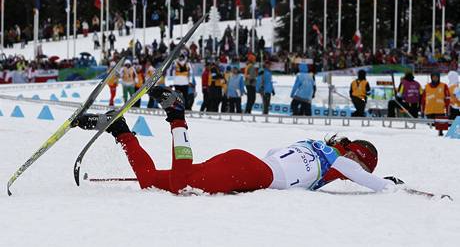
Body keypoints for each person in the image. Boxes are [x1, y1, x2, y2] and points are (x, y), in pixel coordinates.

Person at [73, 86, 402, 195]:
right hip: (254, 173)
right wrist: (390, 185)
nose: (354, 170)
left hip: (247, 163)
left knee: (154, 182)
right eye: (361, 164)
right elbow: (361, 176)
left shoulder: (318, 147)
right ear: (357, 157)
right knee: (183, 179)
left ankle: (120, 130)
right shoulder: (337, 160)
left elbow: (276, 152)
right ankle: (176, 115)